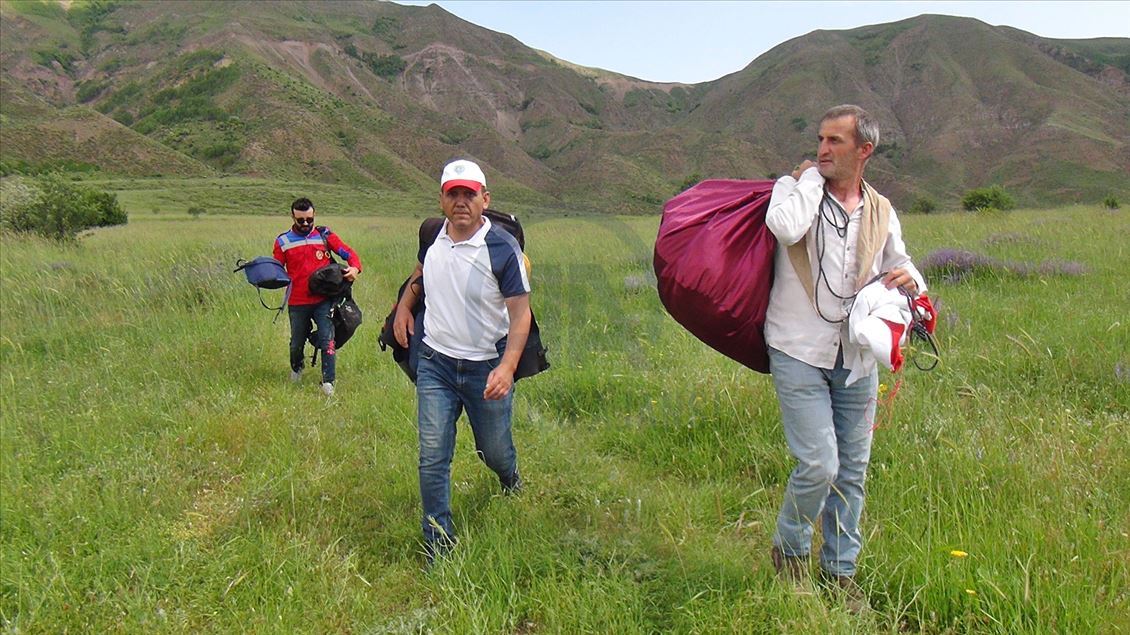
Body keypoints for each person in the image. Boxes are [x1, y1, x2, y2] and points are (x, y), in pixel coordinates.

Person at [763, 104, 926, 613]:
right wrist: (811, 178)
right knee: (819, 463)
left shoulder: (881, 209)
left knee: (852, 472)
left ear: (865, 151)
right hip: (797, 347)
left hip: (856, 357)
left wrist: (911, 280)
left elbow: (899, 263)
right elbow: (784, 228)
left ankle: (839, 575)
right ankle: (788, 552)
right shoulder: (793, 189)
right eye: (820, 139)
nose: (822, 149)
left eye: (835, 142)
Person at [392, 159, 531, 562]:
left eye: (469, 193)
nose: (461, 201)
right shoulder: (434, 236)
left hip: (484, 368)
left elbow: (521, 315)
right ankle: (438, 541)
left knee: (494, 451)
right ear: (441, 199)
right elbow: (421, 272)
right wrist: (404, 306)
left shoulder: (502, 248)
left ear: (485, 199)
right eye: (452, 193)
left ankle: (510, 478)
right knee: (432, 455)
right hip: (435, 363)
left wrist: (506, 367)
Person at [273, 197, 361, 397]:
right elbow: (276, 270)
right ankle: (297, 369)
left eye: (309, 219)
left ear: (314, 216)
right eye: (300, 220)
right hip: (297, 302)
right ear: (292, 217)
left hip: (323, 300)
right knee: (296, 341)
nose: (305, 224)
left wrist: (355, 267)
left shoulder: (324, 235)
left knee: (327, 339)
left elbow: (347, 252)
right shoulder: (283, 242)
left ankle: (328, 382)